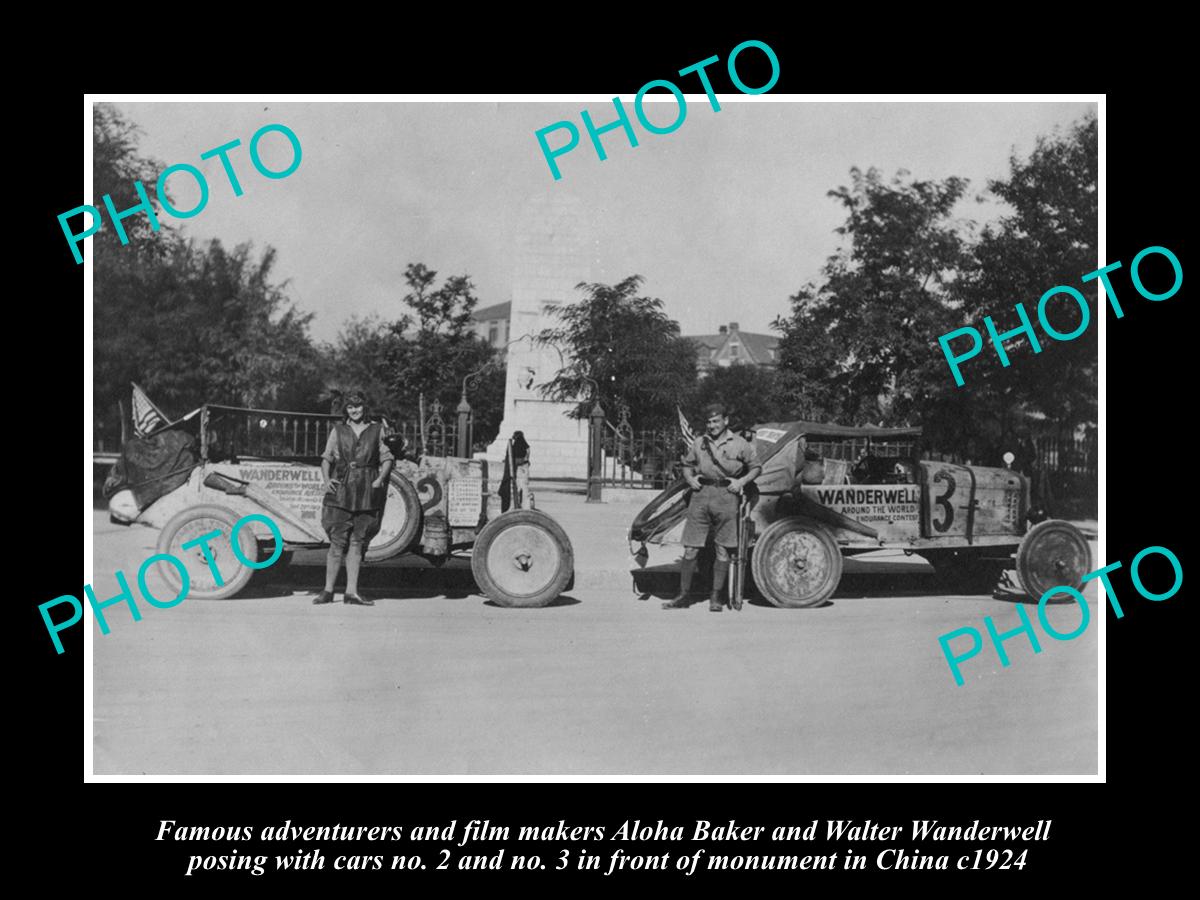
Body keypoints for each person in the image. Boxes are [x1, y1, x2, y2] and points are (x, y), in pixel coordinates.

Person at [664, 403, 762, 612]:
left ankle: (716, 597)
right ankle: (683, 595)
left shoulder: (739, 443)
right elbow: (687, 464)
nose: (712, 426)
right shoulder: (700, 442)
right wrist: (690, 479)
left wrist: (741, 482)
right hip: (701, 496)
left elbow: (756, 467)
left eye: (716, 421)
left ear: (726, 421)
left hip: (727, 496)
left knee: (723, 549)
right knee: (690, 548)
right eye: (709, 422)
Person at [313, 392, 394, 607]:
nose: (354, 411)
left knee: (358, 541)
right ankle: (328, 591)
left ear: (364, 407)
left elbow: (387, 458)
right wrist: (326, 479)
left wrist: (380, 479)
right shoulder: (338, 430)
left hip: (367, 488)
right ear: (345, 409)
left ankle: (351, 592)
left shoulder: (377, 429)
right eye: (350, 407)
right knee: (337, 542)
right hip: (342, 488)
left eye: (358, 407)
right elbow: (326, 458)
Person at [511, 430, 531, 509]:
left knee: (518, 486)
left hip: (518, 467)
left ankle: (516, 504)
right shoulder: (526, 445)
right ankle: (526, 505)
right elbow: (527, 453)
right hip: (524, 466)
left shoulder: (515, 445)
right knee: (525, 486)